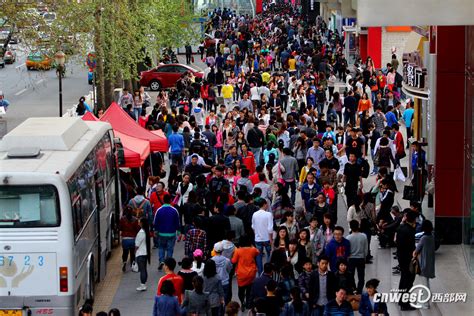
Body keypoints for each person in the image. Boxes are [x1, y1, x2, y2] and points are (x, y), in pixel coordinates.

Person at [231, 235, 259, 312]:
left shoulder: (238, 251)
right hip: (251, 273)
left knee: (241, 290)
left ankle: (242, 302)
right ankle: (248, 303)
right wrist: (252, 245)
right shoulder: (253, 250)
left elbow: (233, 261)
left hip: (241, 274)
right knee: (249, 289)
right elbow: (258, 251)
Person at [396, 210, 417, 311]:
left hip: (401, 257)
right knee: (408, 280)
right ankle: (405, 303)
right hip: (408, 258)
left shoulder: (401, 227)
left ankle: (401, 300)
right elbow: (410, 246)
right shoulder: (409, 230)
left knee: (403, 279)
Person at [413, 220, 436, 309]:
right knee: (426, 283)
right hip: (430, 262)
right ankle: (424, 300)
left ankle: (425, 304)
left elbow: (417, 249)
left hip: (423, 263)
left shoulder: (423, 238)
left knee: (424, 284)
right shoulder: (432, 236)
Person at [153, 194, 180, 269]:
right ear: (170, 200)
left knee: (161, 247)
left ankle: (161, 261)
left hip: (161, 233)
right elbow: (177, 223)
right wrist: (179, 232)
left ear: (163, 200)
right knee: (170, 249)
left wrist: (155, 231)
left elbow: (155, 222)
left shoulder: (159, 210)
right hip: (171, 233)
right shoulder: (174, 210)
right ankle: (168, 263)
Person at [251, 198, 273, 275]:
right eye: (266, 204)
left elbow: (253, 226)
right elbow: (270, 228)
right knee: (269, 255)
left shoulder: (254, 214)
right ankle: (268, 271)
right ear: (264, 204)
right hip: (267, 238)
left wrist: (256, 235)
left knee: (258, 257)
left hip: (258, 239)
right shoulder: (268, 214)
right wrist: (271, 239)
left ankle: (260, 273)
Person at [345, 220, 368, 294]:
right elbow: (366, 249)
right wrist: (364, 257)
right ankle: (359, 290)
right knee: (361, 276)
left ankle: (353, 289)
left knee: (351, 276)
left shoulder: (348, 238)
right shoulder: (364, 236)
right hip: (361, 258)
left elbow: (347, 250)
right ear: (358, 226)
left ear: (351, 227)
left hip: (351, 259)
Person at [118, 206, 140, 272]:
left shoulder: (122, 219)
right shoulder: (135, 219)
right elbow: (137, 229)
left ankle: (124, 263)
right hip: (133, 239)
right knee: (132, 253)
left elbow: (120, 228)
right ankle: (132, 265)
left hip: (125, 239)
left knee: (125, 252)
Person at [135, 217, 151, 291]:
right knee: (144, 269)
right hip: (145, 253)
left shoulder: (141, 232)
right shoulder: (146, 231)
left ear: (142, 223)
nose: (138, 223)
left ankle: (142, 285)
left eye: (139, 222)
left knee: (142, 270)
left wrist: (135, 251)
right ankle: (144, 283)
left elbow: (137, 245)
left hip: (140, 253)